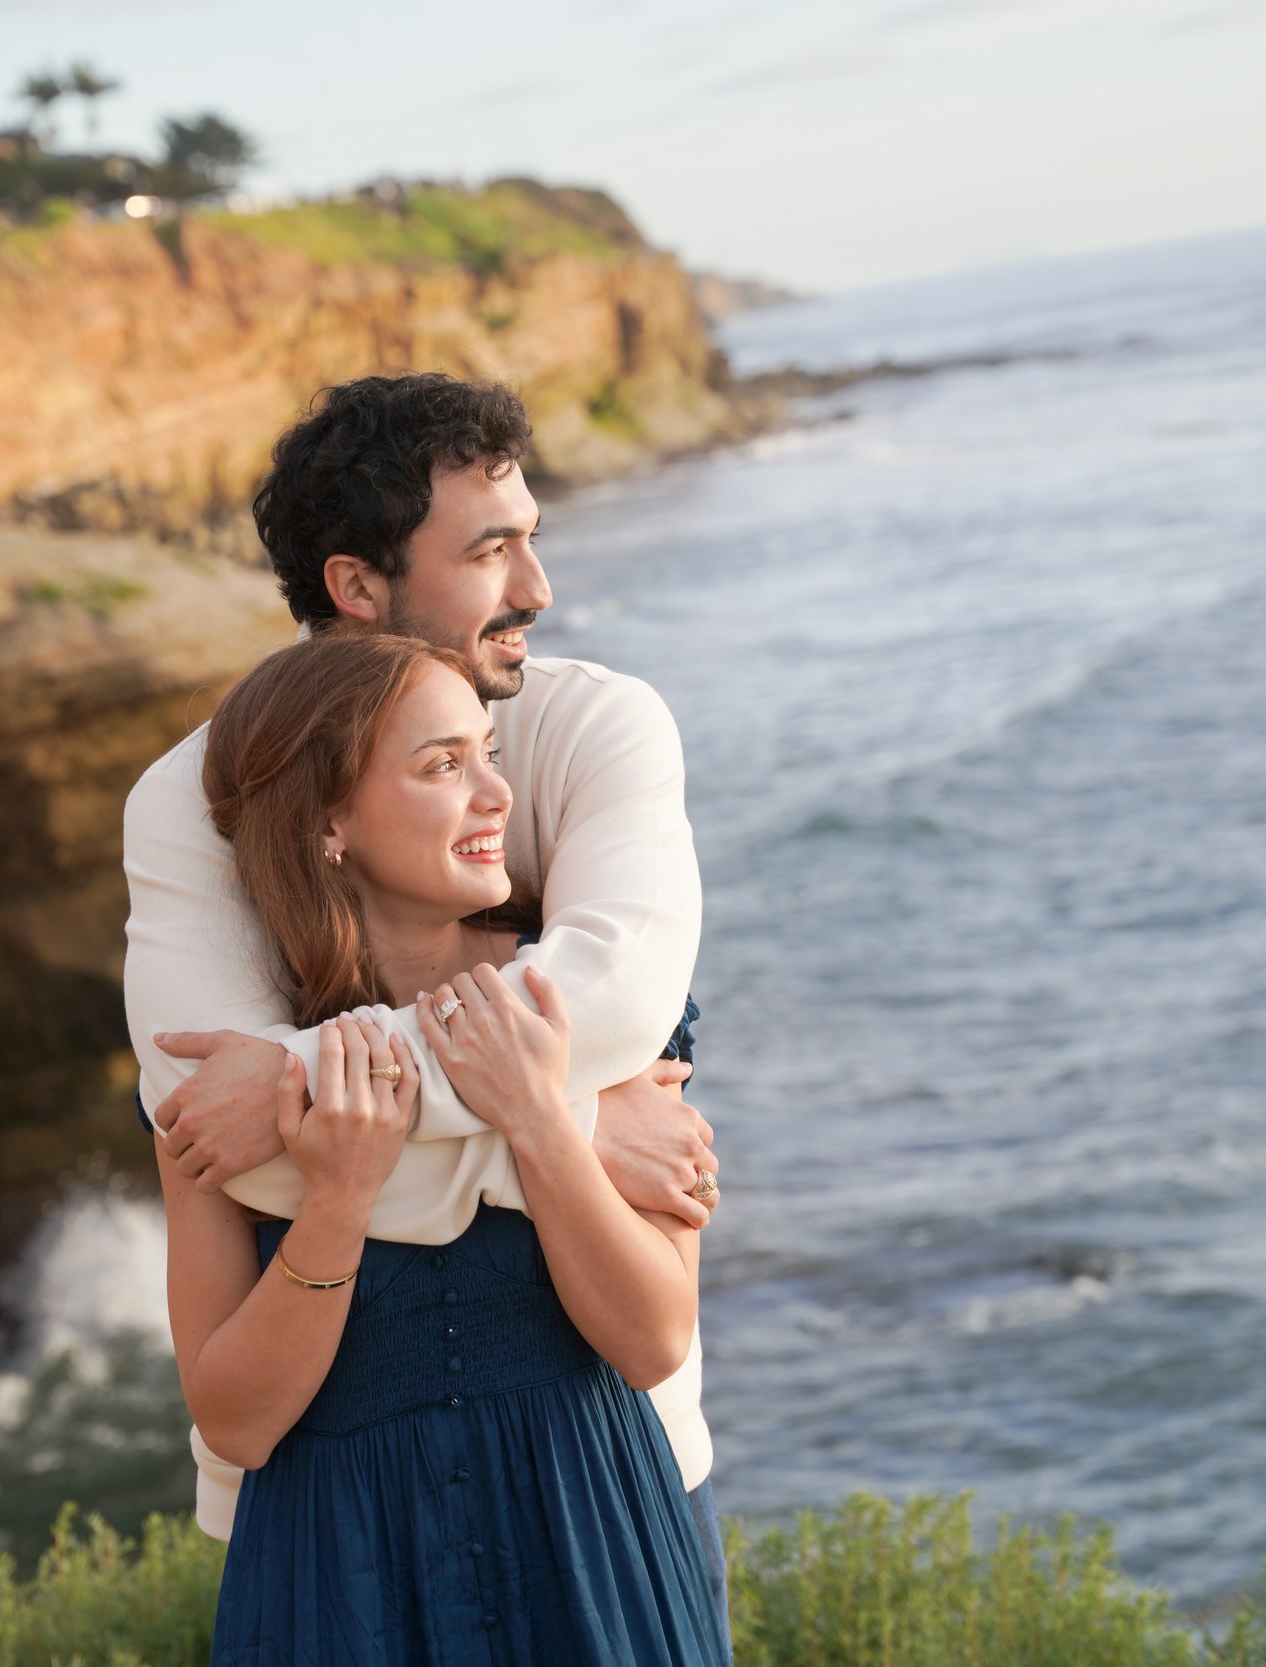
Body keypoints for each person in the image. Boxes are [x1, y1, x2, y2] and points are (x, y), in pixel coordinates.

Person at [121, 373, 729, 1628]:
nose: (536, 590)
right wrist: (562, 1124)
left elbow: (612, 1000)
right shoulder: (194, 799)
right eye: (491, 548)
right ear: (357, 585)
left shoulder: (596, 726)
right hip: (324, 1511)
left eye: (531, 540)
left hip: (607, 1480)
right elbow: (236, 1157)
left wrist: (299, 1088)